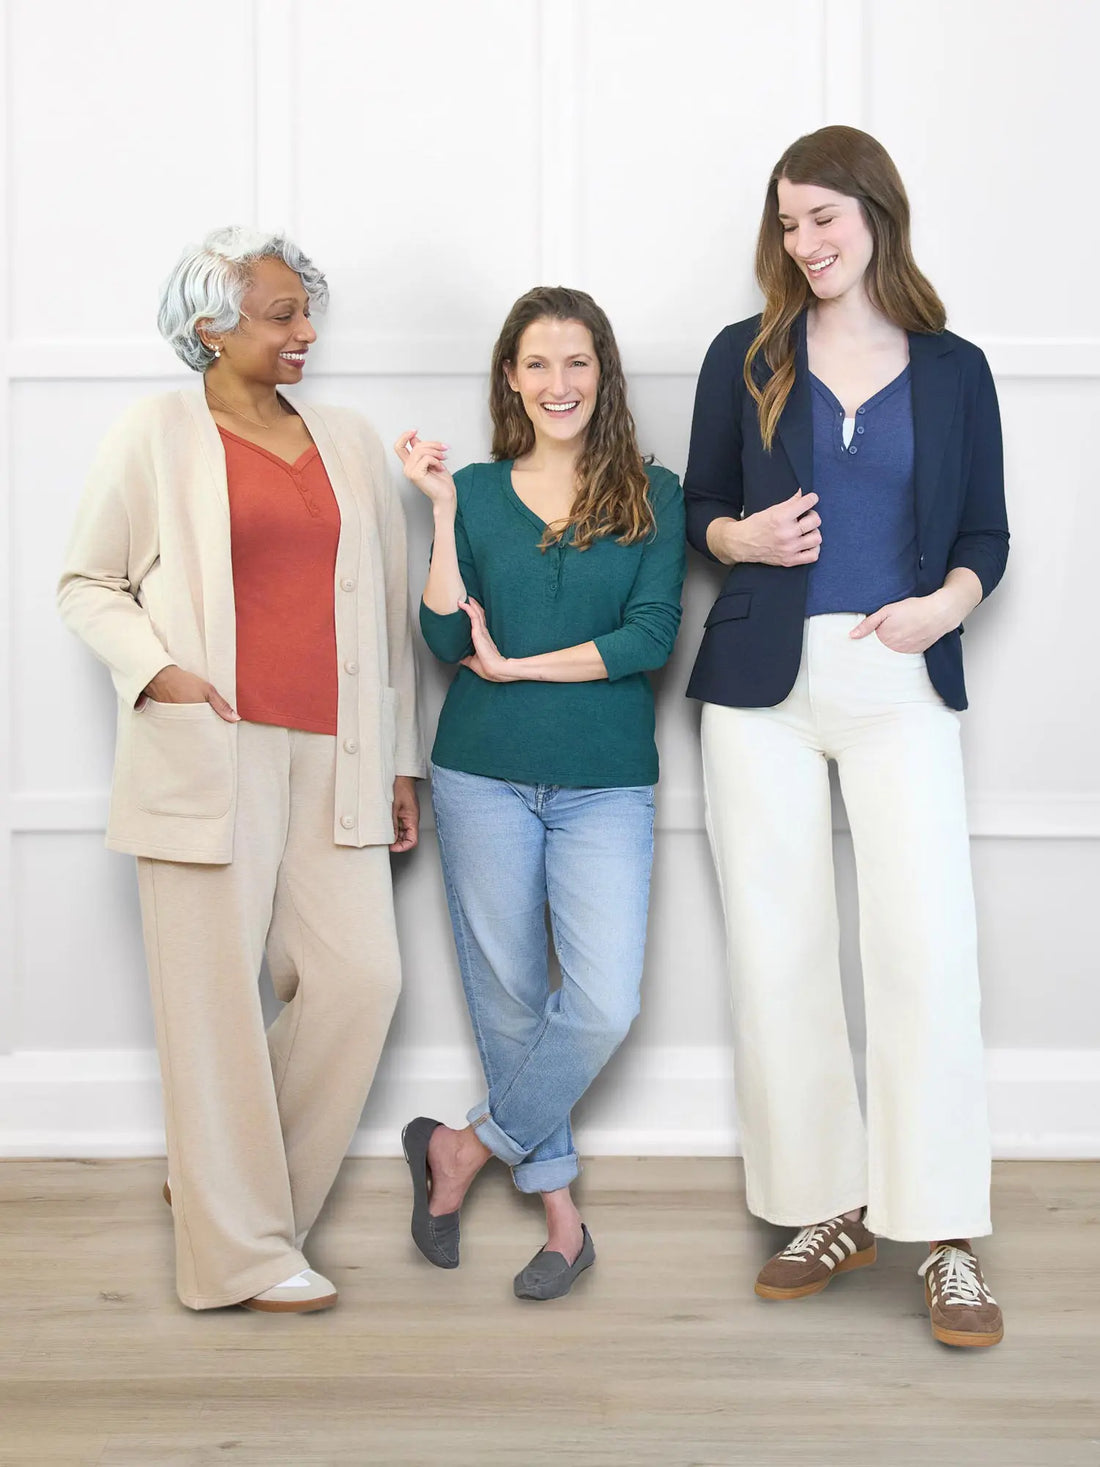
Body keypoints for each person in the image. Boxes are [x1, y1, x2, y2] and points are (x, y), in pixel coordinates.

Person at [58, 227, 424, 1312]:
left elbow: (389, 619)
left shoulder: (347, 440)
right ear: (209, 325)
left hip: (337, 755)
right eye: (280, 315)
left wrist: (400, 759)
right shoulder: (154, 434)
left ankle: (230, 1201)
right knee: (211, 1005)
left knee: (362, 983)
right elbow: (88, 582)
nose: (305, 331)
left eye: (307, 312)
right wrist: (159, 673)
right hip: (207, 751)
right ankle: (245, 1252)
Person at [684, 127, 1009, 1347]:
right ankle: (831, 1205)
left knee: (924, 953)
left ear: (873, 213)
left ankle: (945, 1234)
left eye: (822, 216)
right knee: (778, 955)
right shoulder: (746, 354)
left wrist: (940, 609)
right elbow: (700, 509)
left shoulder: (952, 367)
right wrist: (740, 543)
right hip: (759, 688)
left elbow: (985, 535)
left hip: (896, 679)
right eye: (785, 223)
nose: (804, 243)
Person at [397, 286, 684, 1300]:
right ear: (509, 379)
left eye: (575, 362)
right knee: (512, 1002)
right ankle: (562, 1219)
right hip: (478, 773)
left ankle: (462, 1149)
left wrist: (518, 668)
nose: (556, 384)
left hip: (604, 783)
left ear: (601, 373)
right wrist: (437, 513)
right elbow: (441, 639)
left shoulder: (655, 491)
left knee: (601, 1002)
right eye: (536, 364)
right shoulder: (471, 492)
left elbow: (649, 639)